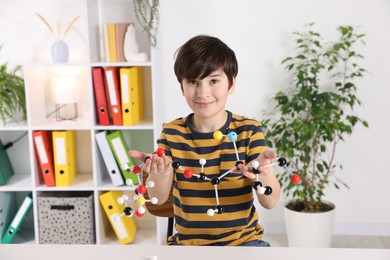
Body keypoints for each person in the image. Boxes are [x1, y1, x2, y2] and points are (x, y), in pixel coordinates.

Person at [129, 35, 281, 246]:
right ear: (182, 87)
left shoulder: (249, 131)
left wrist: (260, 175)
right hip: (188, 246)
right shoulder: (172, 133)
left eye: (213, 81)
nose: (203, 92)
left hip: (243, 243)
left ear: (232, 83)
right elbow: (157, 199)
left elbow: (270, 201)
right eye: (193, 82)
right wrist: (159, 173)